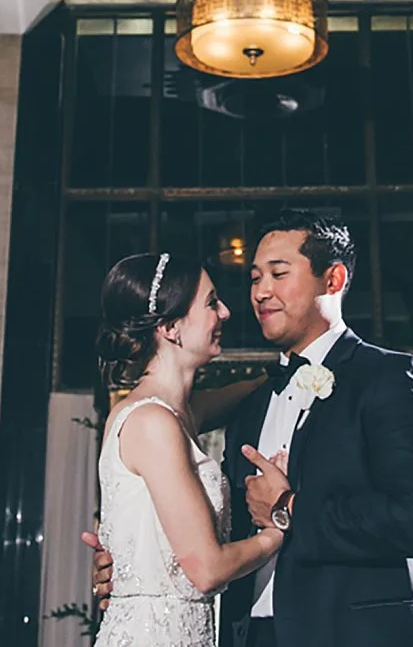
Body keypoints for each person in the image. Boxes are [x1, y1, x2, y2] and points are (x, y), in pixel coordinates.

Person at [86, 210, 413, 647]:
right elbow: (211, 531)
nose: (259, 292)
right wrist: (133, 564)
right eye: (255, 277)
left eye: (278, 274)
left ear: (332, 280)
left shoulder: (390, 377)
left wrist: (289, 507)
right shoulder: (251, 403)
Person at [86, 250, 281, 647]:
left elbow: (239, 393)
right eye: (211, 303)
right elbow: (207, 569)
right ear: (172, 327)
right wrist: (276, 530)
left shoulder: (181, 414)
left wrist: (293, 369)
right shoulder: (152, 423)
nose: (225, 312)